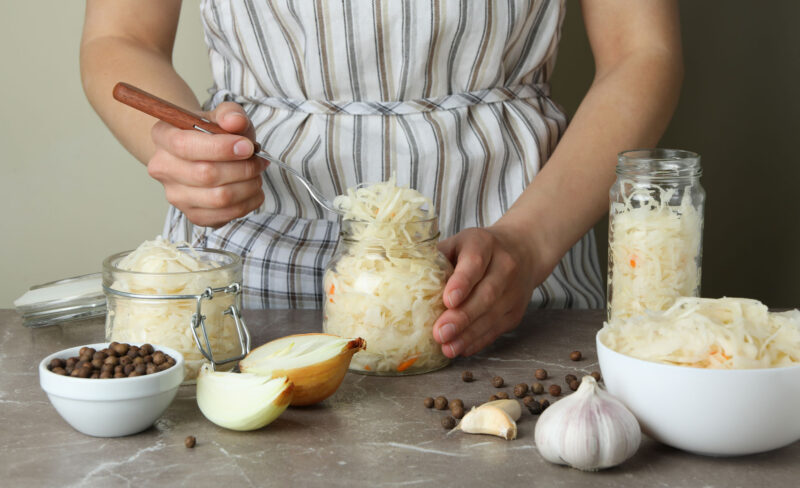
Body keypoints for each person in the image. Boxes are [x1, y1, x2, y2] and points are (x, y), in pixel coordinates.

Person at [81, 0, 683, 359]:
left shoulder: (526, 248)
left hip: (522, 255)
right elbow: (121, 37)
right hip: (249, 271)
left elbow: (641, 52)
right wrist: (190, 152)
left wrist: (528, 244)